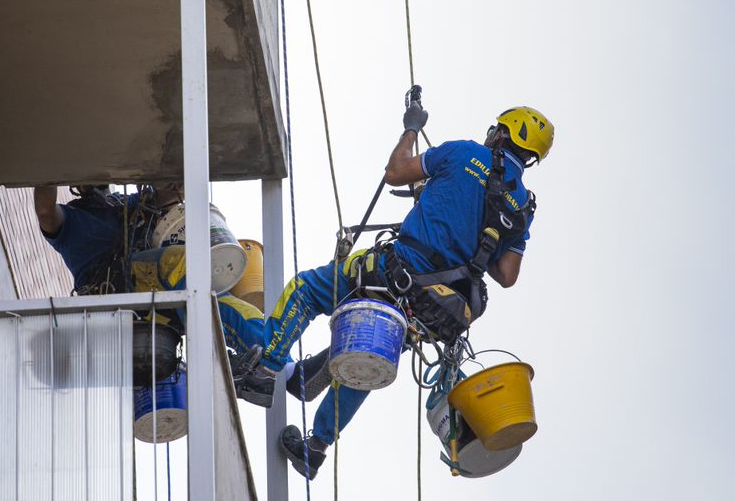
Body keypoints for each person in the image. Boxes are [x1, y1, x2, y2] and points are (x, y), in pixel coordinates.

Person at [236, 94, 554, 479]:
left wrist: (411, 128)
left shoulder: (465, 153)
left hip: (395, 273)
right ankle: (314, 448)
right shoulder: (523, 206)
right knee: (369, 356)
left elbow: (395, 171)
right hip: (437, 309)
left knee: (307, 290)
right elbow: (507, 275)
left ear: (502, 134)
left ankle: (265, 371)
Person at [33, 183, 331, 399]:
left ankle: (287, 370)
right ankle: (271, 372)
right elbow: (46, 212)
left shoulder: (124, 205)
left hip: (159, 304)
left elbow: (167, 194)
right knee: (182, 263)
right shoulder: (73, 220)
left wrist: (168, 171)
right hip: (117, 295)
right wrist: (47, 166)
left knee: (221, 304)